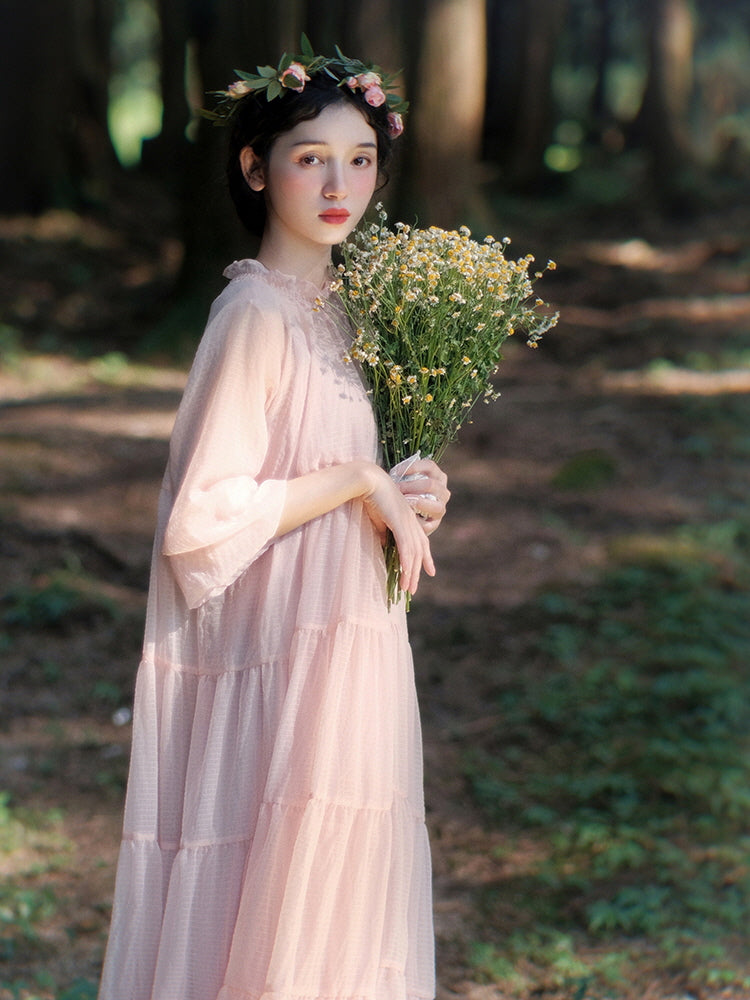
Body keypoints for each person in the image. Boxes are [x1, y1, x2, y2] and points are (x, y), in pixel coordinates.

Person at [98, 41, 450, 1000]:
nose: (341, 184)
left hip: (349, 651)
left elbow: (334, 474)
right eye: (311, 158)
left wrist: (402, 490)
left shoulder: (345, 312)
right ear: (257, 169)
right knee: (273, 899)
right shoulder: (252, 313)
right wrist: (352, 479)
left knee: (342, 902)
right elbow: (202, 519)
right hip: (282, 658)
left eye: (361, 158)